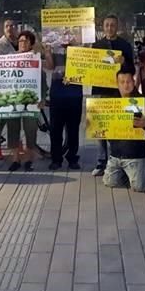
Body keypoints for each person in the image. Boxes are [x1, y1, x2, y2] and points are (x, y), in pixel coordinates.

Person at [98, 67, 145, 192]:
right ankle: (132, 176)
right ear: (117, 84)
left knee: (138, 187)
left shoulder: (144, 101)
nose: (126, 85)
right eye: (122, 82)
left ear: (133, 82)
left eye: (129, 81)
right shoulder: (110, 103)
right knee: (109, 182)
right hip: (116, 154)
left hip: (136, 154)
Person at [91, 14, 135, 177]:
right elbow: (89, 69)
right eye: (107, 25)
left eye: (113, 25)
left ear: (118, 27)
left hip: (118, 92)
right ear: (103, 27)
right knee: (100, 129)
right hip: (100, 91)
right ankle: (101, 162)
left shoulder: (124, 45)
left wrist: (124, 62)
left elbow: (132, 70)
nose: (110, 28)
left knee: (117, 128)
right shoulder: (96, 46)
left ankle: (118, 160)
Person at [7, 31, 53, 172]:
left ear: (31, 44)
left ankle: (28, 160)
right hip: (14, 101)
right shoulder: (10, 58)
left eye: (26, 41)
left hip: (32, 102)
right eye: (20, 41)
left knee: (30, 132)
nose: (22, 43)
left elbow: (48, 71)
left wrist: (43, 98)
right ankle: (15, 159)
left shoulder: (35, 58)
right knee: (13, 130)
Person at [47, 27, 84, 172]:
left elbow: (85, 70)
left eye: (69, 34)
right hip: (57, 93)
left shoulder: (80, 51)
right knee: (55, 129)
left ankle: (72, 158)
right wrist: (48, 52)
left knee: (73, 129)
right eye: (63, 34)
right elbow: (50, 67)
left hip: (75, 94)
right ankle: (56, 159)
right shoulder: (54, 48)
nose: (66, 37)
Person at [0, 18, 20, 160]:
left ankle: (16, 144)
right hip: (2, 88)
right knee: (0, 121)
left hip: (16, 87)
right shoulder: (0, 44)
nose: (10, 28)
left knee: (15, 118)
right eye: (7, 26)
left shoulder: (19, 42)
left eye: (12, 25)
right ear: (4, 29)